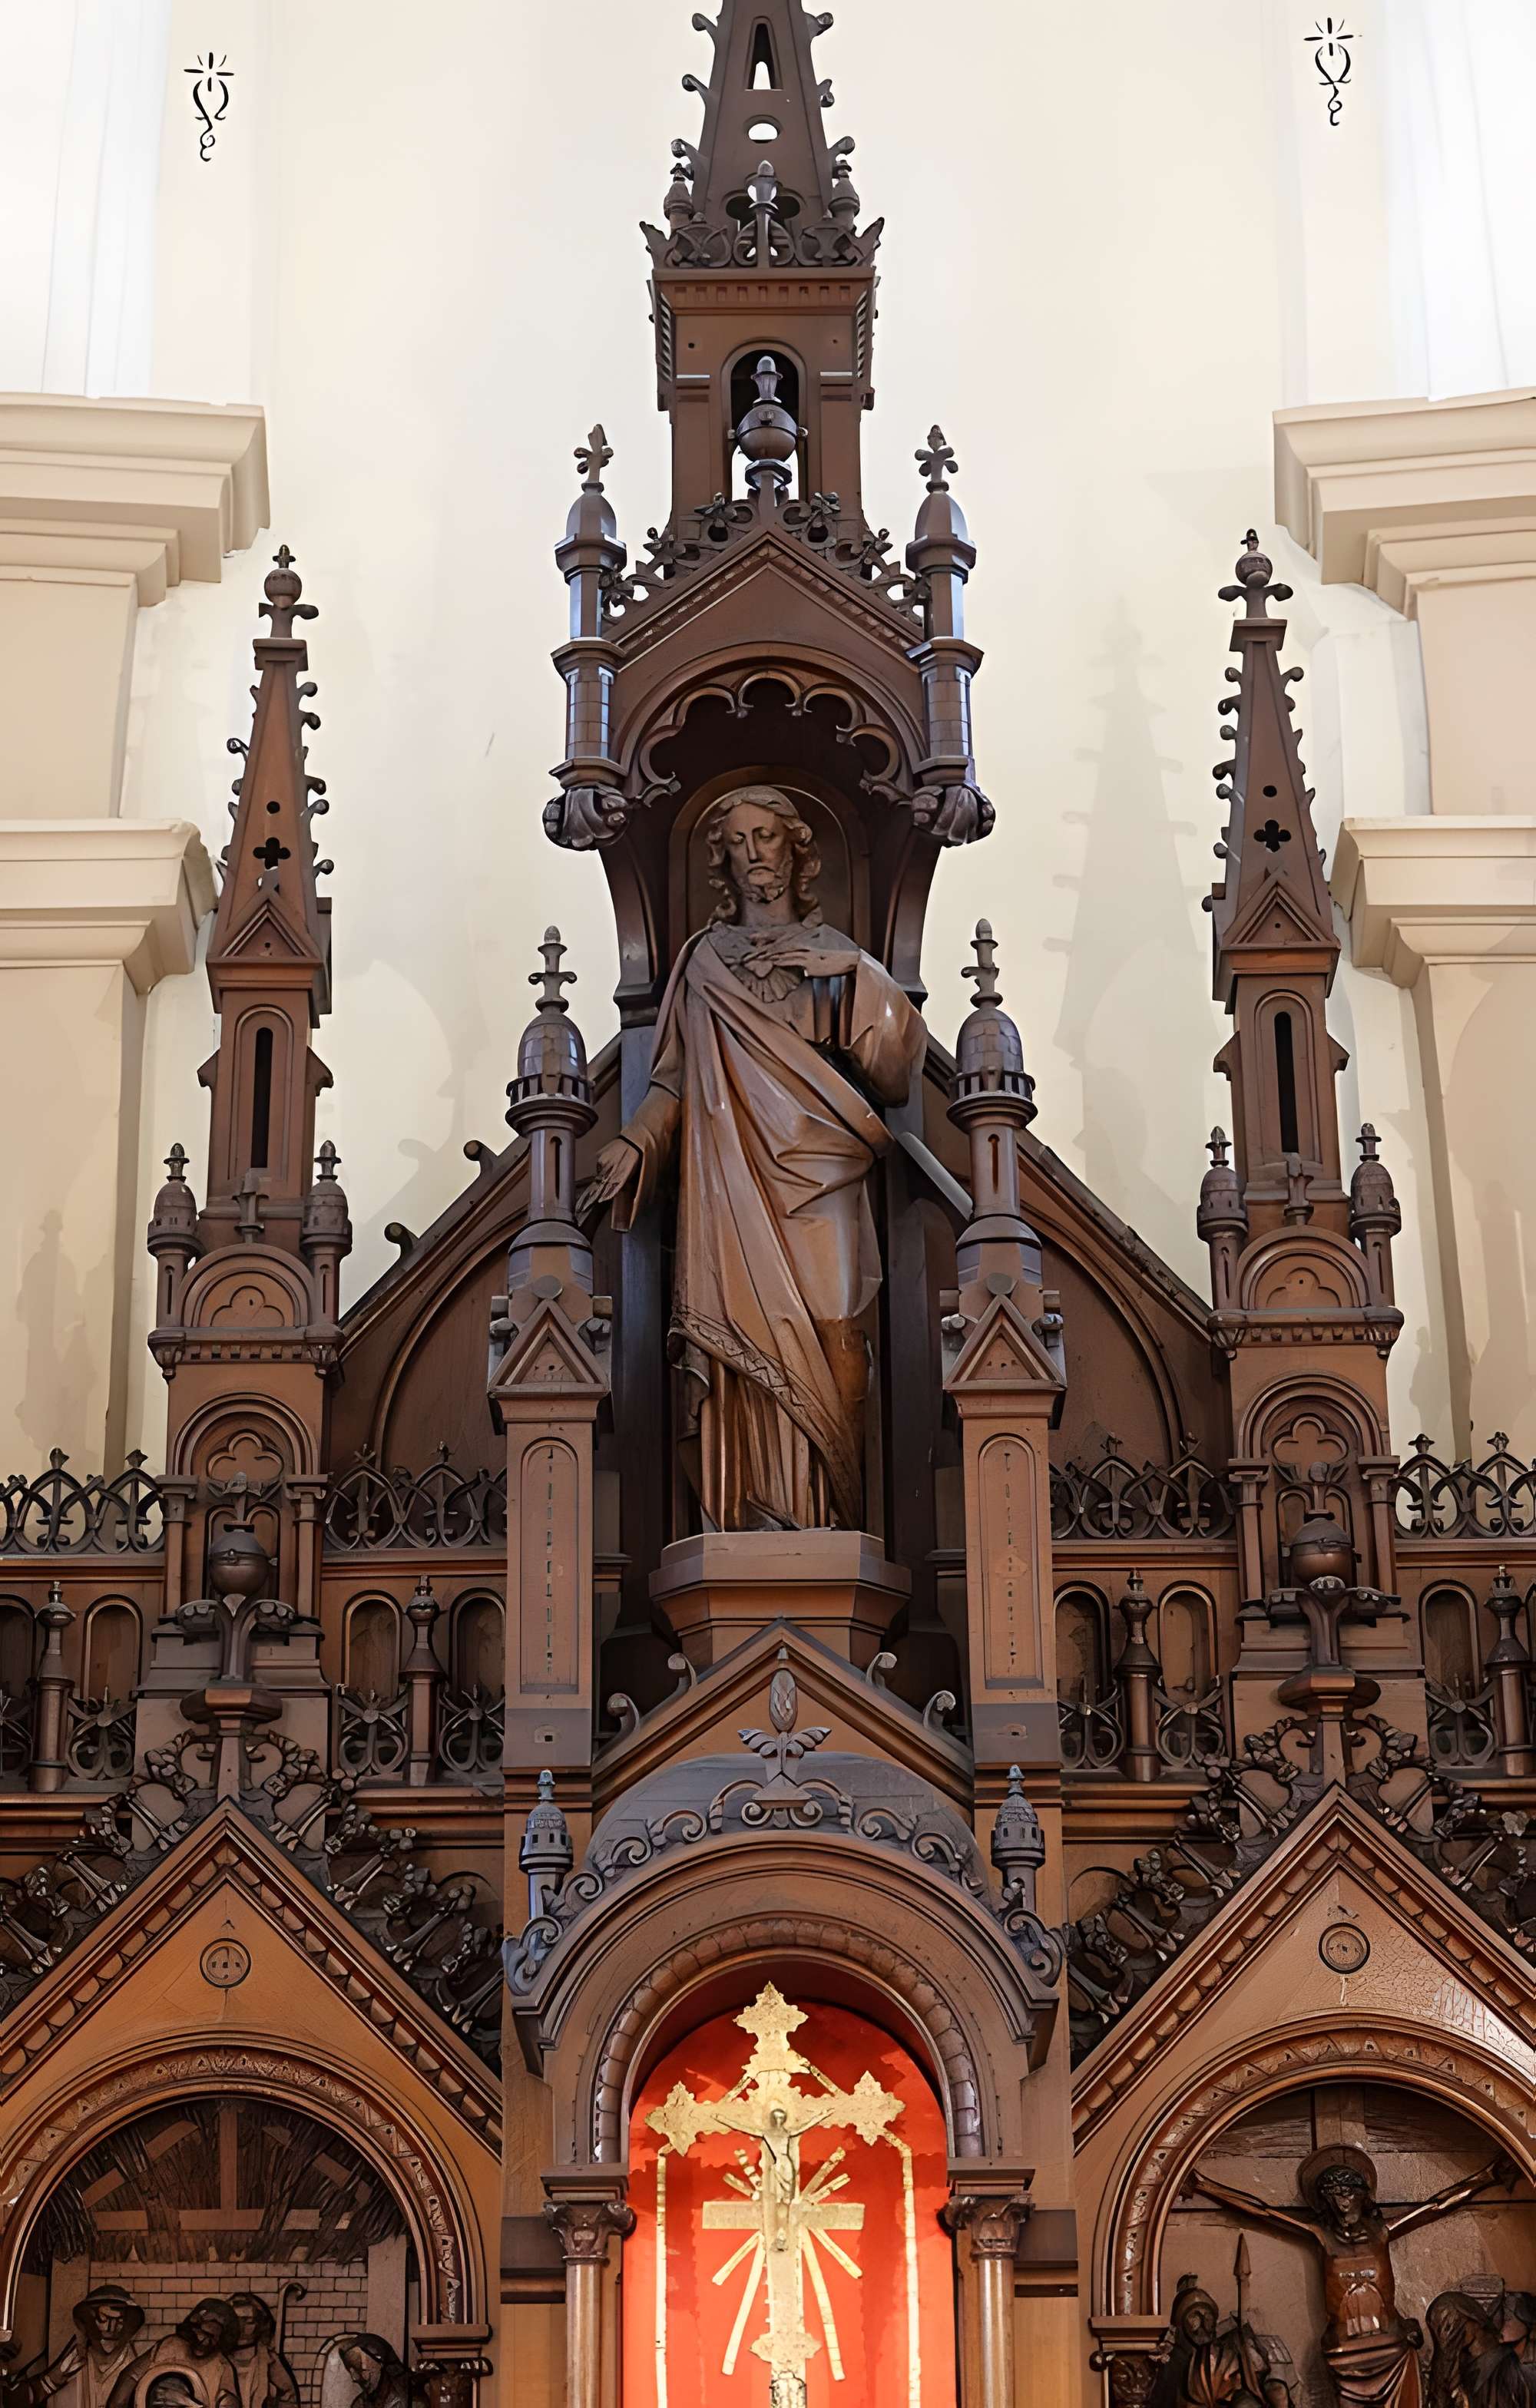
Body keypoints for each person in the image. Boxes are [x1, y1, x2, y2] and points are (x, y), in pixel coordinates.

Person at [580, 783, 925, 1533]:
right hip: (727, 1187)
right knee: (735, 1346)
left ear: (796, 849)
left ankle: (831, 1516)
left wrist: (853, 981)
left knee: (837, 1328)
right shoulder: (703, 963)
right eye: (735, 842)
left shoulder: (840, 958)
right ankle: (744, 1517)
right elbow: (672, 1080)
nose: (751, 855)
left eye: (764, 836)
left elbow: (896, 1073)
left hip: (824, 1175)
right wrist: (636, 1140)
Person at [1187, 2144, 1514, 2408]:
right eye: (1333, 2192)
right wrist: (1204, 2185)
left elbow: (1437, 2206)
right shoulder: (1321, 2236)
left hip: (1393, 2348)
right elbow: (1262, 2211)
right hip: (1345, 2354)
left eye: (1348, 2190)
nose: (1342, 2200)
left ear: (1363, 2194)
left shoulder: (1382, 2232)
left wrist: (1488, 2176)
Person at [107, 2301, 240, 2408]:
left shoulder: (222, 2367)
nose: (204, 2341)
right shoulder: (169, 2346)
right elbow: (130, 2377)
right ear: (194, 2326)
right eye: (203, 2332)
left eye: (212, 2337)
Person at [31, 2288, 145, 2408]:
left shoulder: (137, 2368)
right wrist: (56, 2377)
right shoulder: (71, 2365)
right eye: (102, 2319)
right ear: (87, 2322)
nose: (110, 2329)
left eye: (119, 2321)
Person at [226, 2299, 297, 2408]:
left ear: (260, 2324)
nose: (241, 2327)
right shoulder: (219, 2360)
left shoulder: (271, 2361)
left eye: (249, 2321)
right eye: (236, 2321)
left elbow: (290, 2397)